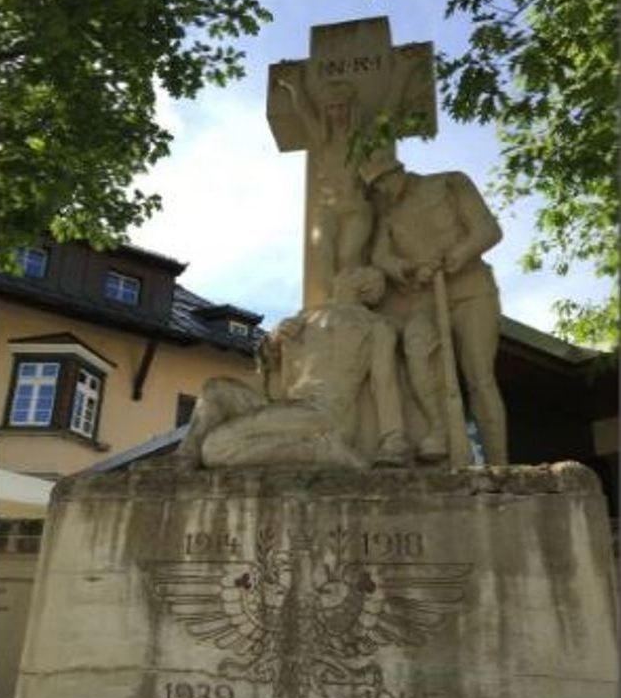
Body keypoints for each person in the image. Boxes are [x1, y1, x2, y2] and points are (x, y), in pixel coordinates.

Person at [178, 266, 410, 468]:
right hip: (288, 406)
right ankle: (182, 459)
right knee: (215, 389)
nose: (341, 273)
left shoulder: (375, 326)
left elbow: (384, 382)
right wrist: (273, 340)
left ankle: (323, 451)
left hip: (326, 413)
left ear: (365, 287)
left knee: (216, 449)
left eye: (352, 272)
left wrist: (393, 439)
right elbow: (268, 370)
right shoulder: (307, 317)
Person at [360, 156, 508, 465]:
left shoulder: (450, 182)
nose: (382, 191)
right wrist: (408, 268)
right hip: (426, 297)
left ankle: (498, 463)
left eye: (384, 181)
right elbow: (380, 257)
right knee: (416, 347)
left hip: (471, 290)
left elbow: (488, 230)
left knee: (479, 375)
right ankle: (438, 428)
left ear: (397, 171)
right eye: (376, 188)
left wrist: (458, 255)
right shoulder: (388, 214)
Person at [275, 73, 372, 297]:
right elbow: (304, 110)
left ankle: (348, 301)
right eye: (331, 108)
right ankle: (331, 302)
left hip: (356, 207)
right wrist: (294, 85)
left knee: (349, 256)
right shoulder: (321, 137)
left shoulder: (362, 139)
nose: (337, 113)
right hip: (327, 207)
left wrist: (403, 74)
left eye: (341, 107)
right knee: (321, 249)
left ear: (351, 108)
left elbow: (390, 108)